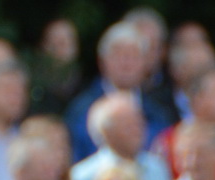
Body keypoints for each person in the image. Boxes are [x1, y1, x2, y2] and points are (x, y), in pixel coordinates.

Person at [64, 22, 170, 162]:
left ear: (144, 63)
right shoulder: (81, 110)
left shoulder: (158, 111)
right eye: (119, 55)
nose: (126, 64)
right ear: (102, 61)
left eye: (133, 56)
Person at [69, 92, 169, 180]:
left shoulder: (158, 168)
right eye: (128, 126)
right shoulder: (81, 177)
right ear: (107, 133)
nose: (137, 131)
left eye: (139, 123)